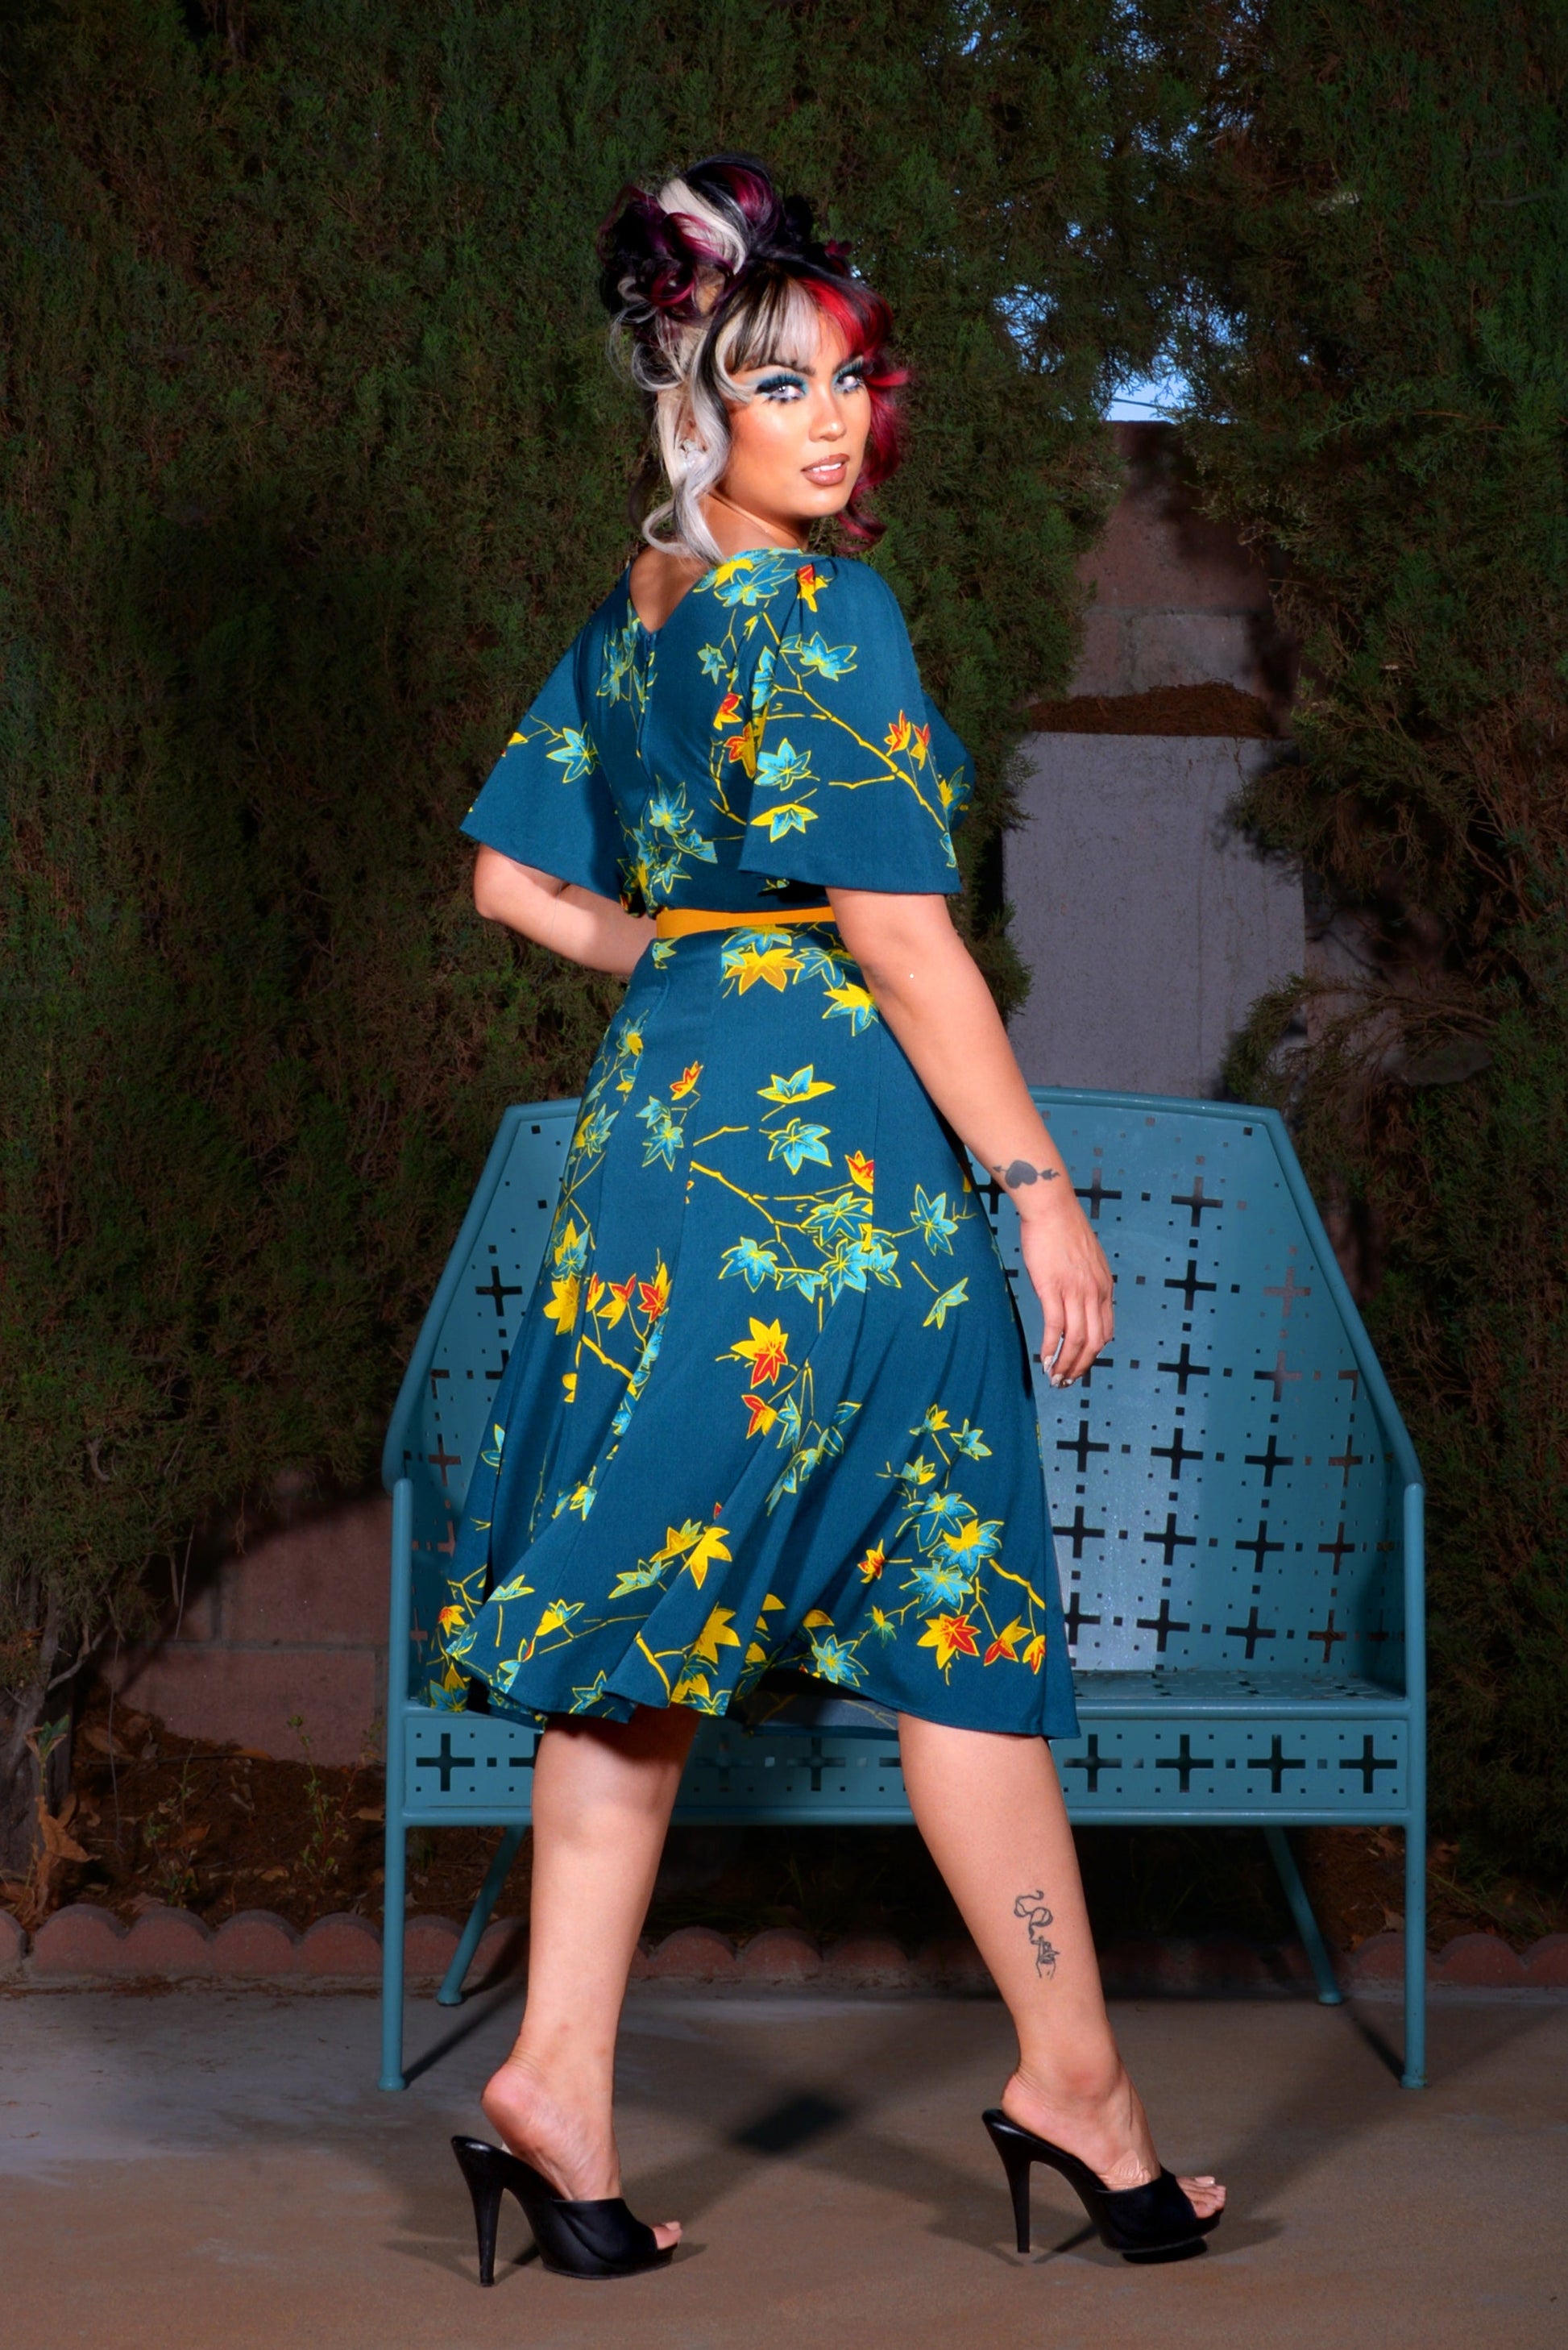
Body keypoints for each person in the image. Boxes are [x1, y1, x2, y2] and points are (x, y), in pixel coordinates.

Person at [438, 153, 1226, 2284]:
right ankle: (1074, 2088)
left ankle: (561, 2087)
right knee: (958, 1601)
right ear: (692, 401)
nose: (826, 420)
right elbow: (896, 930)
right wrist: (1037, 1187)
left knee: (638, 1611)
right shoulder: (824, 612)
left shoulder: (639, 611)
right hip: (839, 1192)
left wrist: (692, 961)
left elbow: (510, 883)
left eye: (846, 379)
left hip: (652, 1166)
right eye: (772, 383)